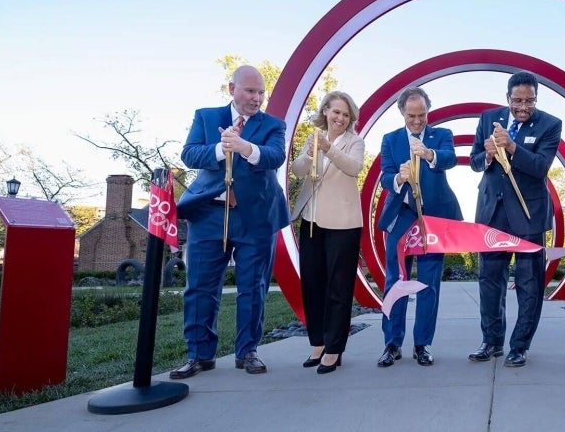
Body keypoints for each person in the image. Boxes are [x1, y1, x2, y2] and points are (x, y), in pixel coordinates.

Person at [171, 65, 290, 379]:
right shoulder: (207, 117)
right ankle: (199, 355)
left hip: (256, 218)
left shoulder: (274, 125)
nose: (257, 98)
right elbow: (190, 154)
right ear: (231, 89)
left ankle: (247, 352)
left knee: (253, 287)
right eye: (250, 91)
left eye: (261, 92)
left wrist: (245, 147)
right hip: (209, 214)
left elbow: (275, 156)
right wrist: (220, 149)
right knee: (199, 287)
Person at [468, 70, 561, 367]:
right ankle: (491, 341)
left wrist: (510, 147)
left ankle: (519, 346)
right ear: (507, 98)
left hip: (528, 216)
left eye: (529, 101)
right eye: (517, 100)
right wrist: (487, 155)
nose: (523, 106)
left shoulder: (550, 124)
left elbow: (540, 166)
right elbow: (473, 163)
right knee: (489, 281)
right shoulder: (487, 119)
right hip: (492, 214)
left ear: (536, 98)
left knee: (529, 283)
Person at [375, 87, 463, 368]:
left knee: (429, 283)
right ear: (402, 112)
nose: (417, 121)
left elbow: (449, 158)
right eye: (411, 115)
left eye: (422, 115)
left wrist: (428, 154)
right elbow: (386, 176)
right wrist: (399, 179)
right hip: (401, 216)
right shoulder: (390, 140)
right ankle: (392, 344)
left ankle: (423, 344)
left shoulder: (442, 135)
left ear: (428, 111)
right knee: (395, 280)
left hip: (433, 218)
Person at [290, 91, 365, 375]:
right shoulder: (314, 138)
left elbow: (354, 167)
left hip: (344, 224)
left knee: (338, 287)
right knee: (312, 285)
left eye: (346, 115)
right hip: (311, 221)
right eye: (336, 112)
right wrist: (310, 152)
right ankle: (318, 343)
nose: (340, 118)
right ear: (325, 111)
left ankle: (335, 349)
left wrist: (328, 149)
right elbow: (298, 171)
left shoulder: (355, 142)